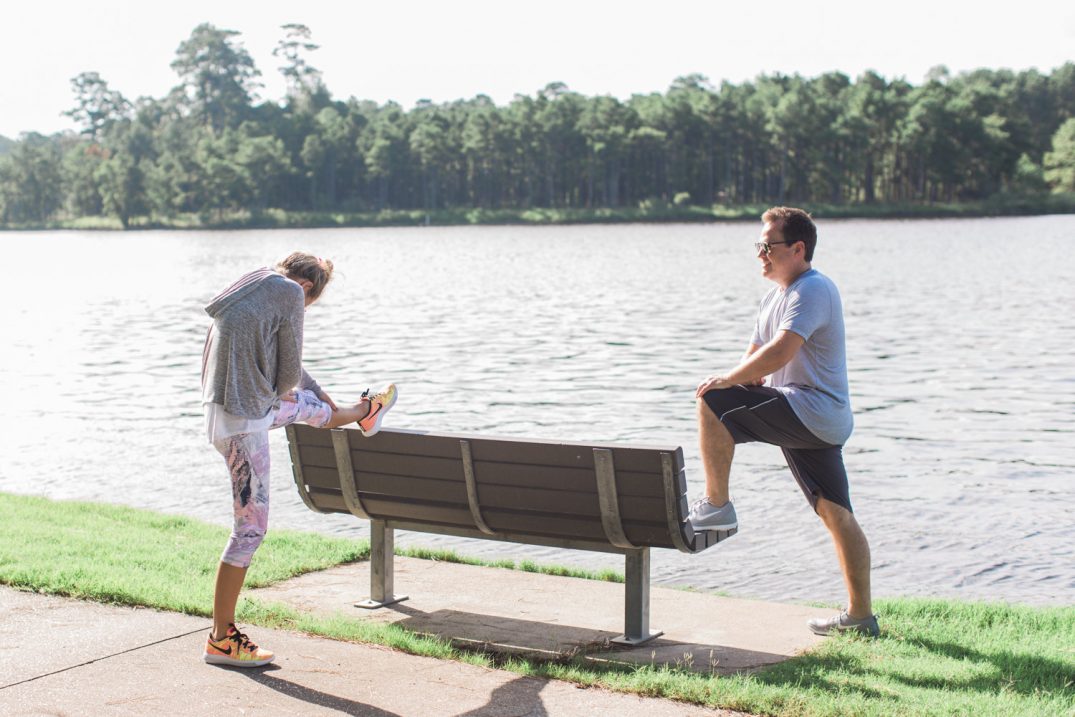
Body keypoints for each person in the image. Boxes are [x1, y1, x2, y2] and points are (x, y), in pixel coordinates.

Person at [687, 207, 878, 637]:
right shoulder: (774, 298)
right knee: (837, 513)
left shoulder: (813, 289)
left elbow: (780, 353)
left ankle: (717, 507)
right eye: (758, 246)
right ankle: (861, 618)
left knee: (712, 400)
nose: (760, 254)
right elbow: (757, 361)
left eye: (767, 246)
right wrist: (740, 376)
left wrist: (724, 383)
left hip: (811, 410)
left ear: (797, 248)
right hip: (813, 416)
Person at [199, 251, 398, 666]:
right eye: (308, 307)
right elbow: (286, 375)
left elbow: (290, 373)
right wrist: (291, 388)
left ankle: (362, 412)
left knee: (309, 406)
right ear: (307, 289)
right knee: (250, 530)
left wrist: (319, 395)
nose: (302, 311)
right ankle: (222, 638)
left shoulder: (253, 283)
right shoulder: (289, 293)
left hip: (224, 412)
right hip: (244, 425)